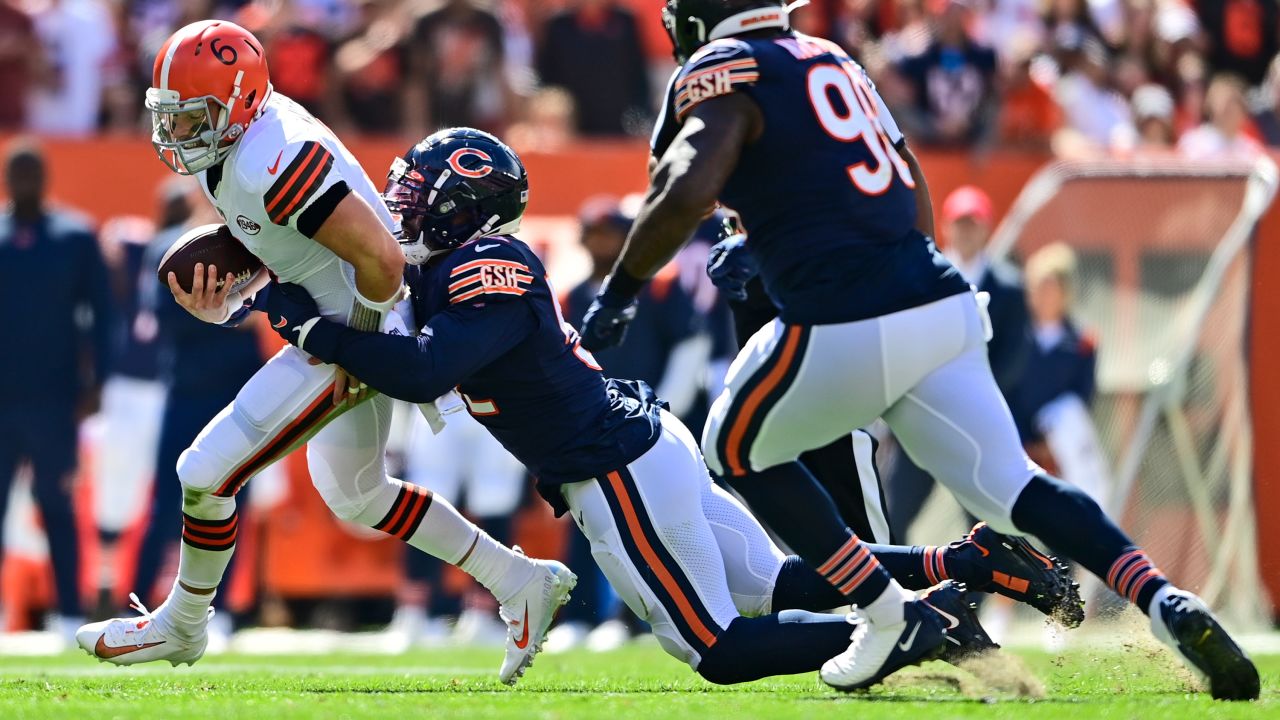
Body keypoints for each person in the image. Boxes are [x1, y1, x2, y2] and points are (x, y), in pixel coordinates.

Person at [578, 0, 1258, 699]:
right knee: (1012, 485)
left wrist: (621, 290)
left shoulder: (724, 67)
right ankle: (1163, 598)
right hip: (939, 299)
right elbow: (903, 176)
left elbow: (688, 182)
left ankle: (885, 612)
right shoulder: (831, 57)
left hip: (844, 310)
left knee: (733, 447)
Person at [257, 127, 1000, 686]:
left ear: (460, 209)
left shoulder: (487, 267)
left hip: (614, 465)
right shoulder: (456, 269)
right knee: (774, 585)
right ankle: (969, 561)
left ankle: (916, 628)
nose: (400, 207)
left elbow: (423, 372)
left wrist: (313, 328)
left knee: (713, 648)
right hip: (635, 448)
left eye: (418, 195)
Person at [76, 20, 572, 686]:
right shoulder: (246, 141)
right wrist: (242, 285)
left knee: (204, 472)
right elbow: (293, 241)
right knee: (356, 492)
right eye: (172, 116)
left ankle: (183, 626)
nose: (178, 133)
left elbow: (382, 261)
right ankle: (519, 580)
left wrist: (359, 348)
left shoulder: (273, 157)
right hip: (341, 314)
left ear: (240, 100)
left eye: (194, 116)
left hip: (356, 321)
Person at [0, 139, 113, 640]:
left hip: (54, 399)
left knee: (58, 509)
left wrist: (98, 384)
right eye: (15, 172)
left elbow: (103, 318)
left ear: (45, 178)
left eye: (31, 173)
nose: (24, 182)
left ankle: (69, 614)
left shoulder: (73, 235)